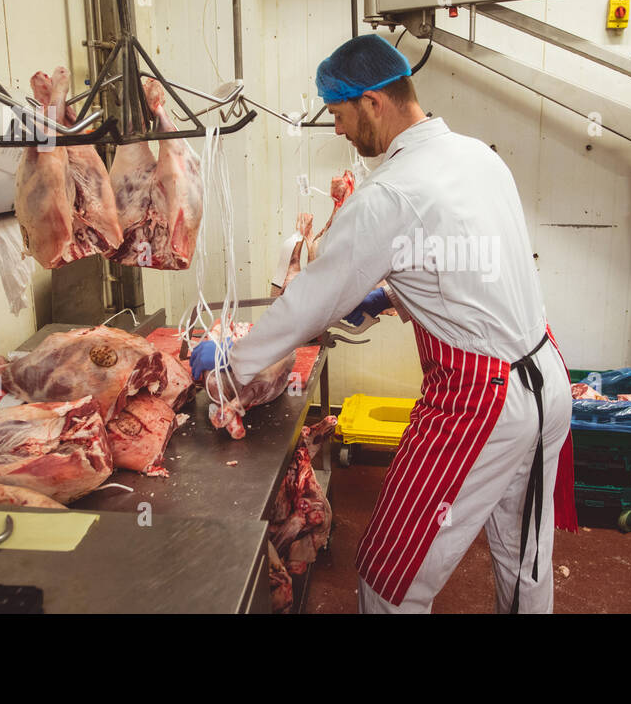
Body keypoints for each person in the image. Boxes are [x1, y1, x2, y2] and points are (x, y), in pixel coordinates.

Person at [191, 34, 576, 613]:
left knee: (386, 577)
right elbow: (466, 260)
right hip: (545, 377)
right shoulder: (477, 155)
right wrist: (390, 292)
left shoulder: (389, 192)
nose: (339, 131)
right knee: (525, 561)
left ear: (373, 102)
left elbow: (307, 303)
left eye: (340, 116)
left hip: (479, 402)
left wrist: (228, 364)